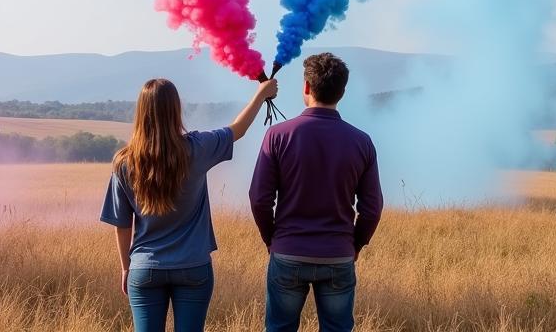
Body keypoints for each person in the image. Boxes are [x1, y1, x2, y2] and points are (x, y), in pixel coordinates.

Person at [101, 75, 280, 332]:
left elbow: (121, 224)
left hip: (145, 268)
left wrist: (126, 268)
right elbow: (237, 129)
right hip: (194, 267)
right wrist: (262, 94)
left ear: (141, 112)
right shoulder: (197, 148)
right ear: (176, 110)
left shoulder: (123, 162)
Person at [249, 52, 383, 332]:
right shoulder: (362, 142)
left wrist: (271, 239)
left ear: (307, 87)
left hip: (287, 252)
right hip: (338, 254)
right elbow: (371, 208)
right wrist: (355, 245)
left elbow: (260, 199)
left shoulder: (277, 135)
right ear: (342, 91)